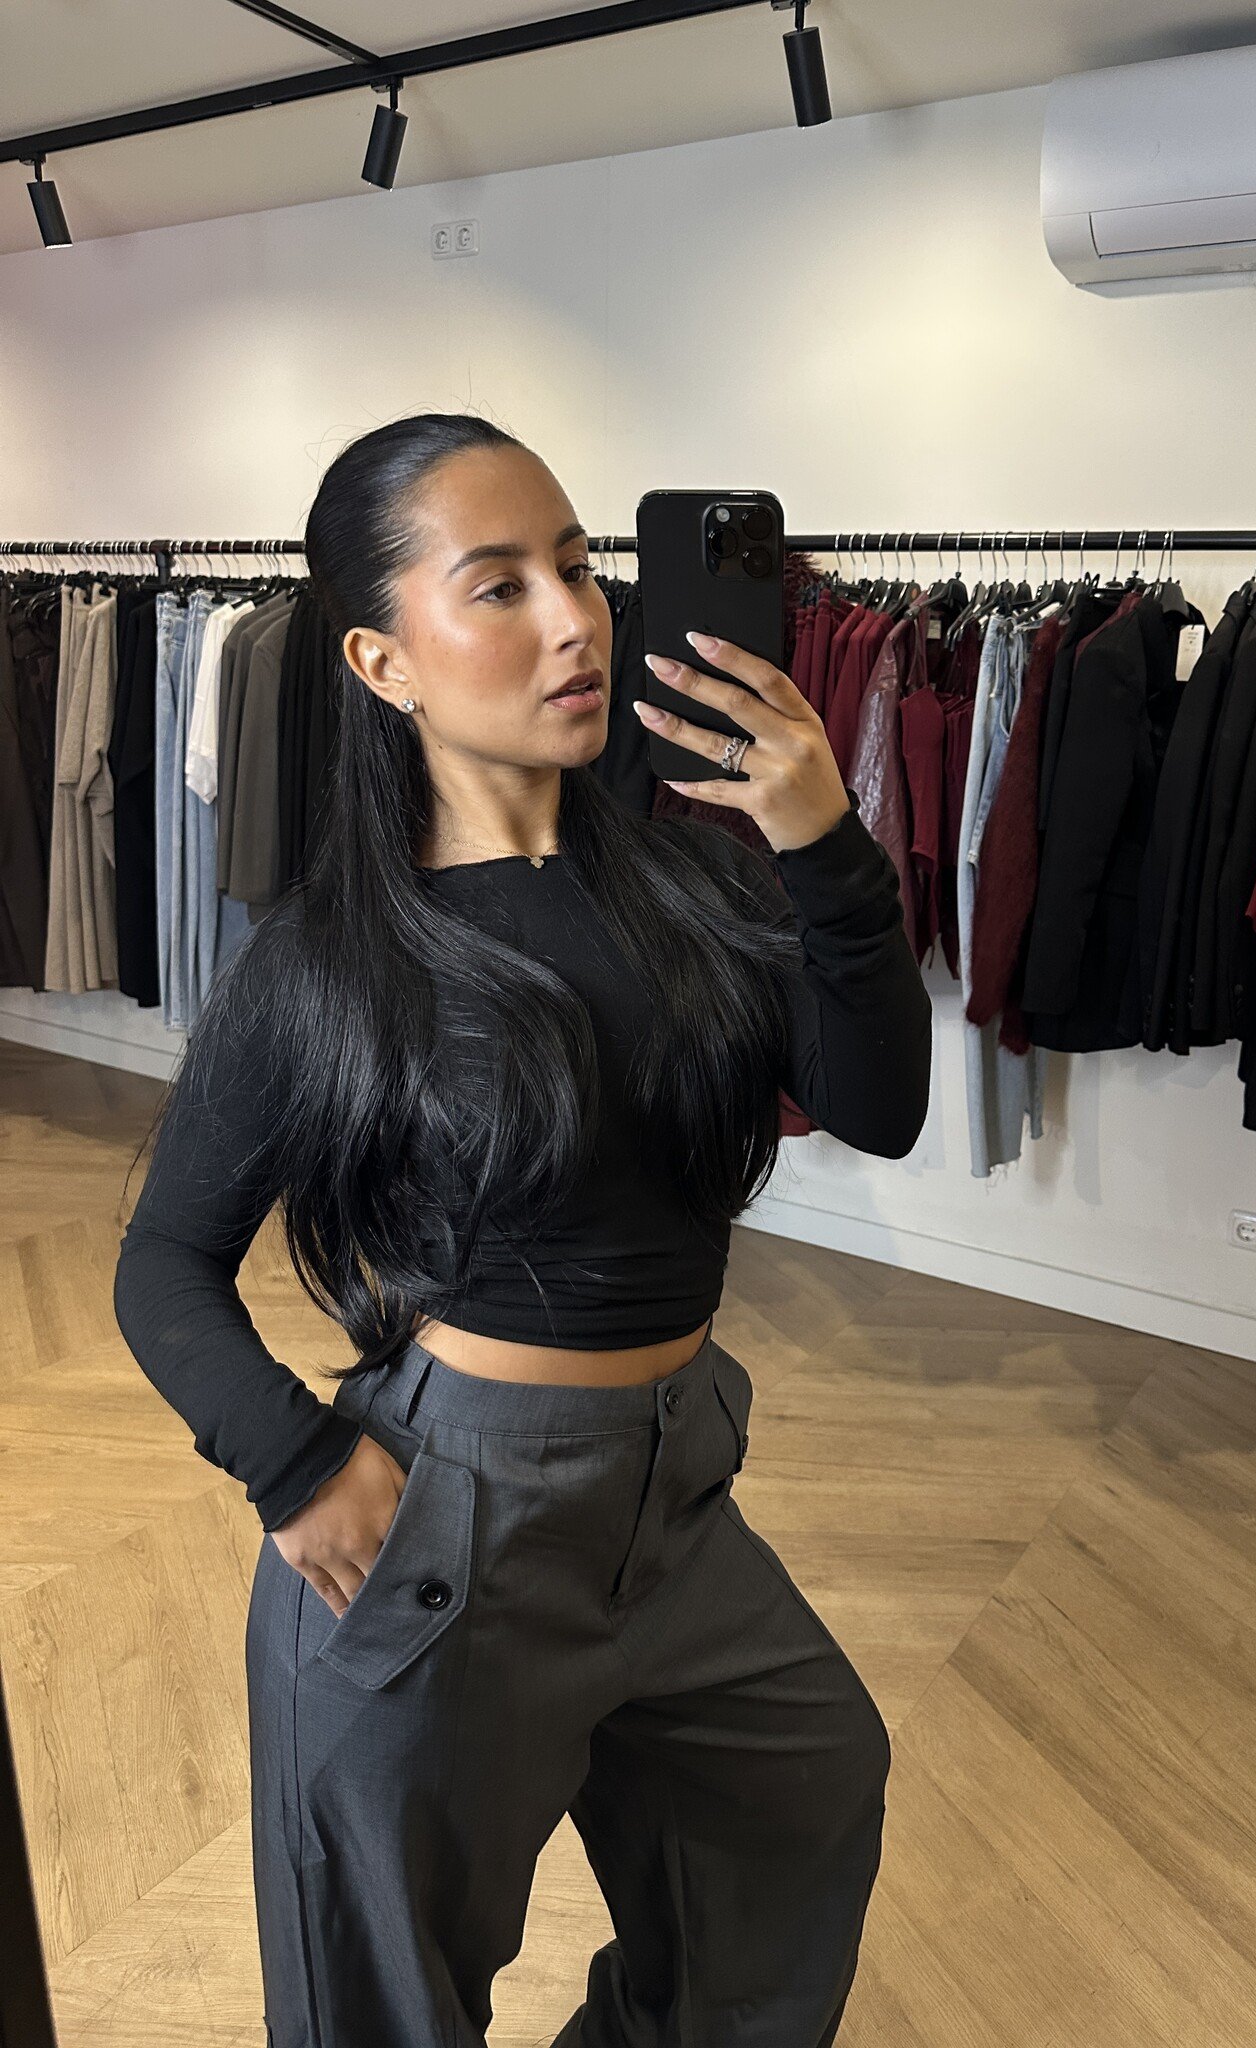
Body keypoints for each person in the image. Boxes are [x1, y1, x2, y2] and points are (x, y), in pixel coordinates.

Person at [112, 412, 933, 2046]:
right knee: (386, 1996)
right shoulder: (329, 957)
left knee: (803, 1802)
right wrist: (295, 1463)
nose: (574, 621)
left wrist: (825, 844)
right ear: (382, 661)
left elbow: (881, 1101)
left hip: (677, 1496)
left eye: (578, 567)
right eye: (498, 587)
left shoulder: (700, 892)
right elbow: (163, 1267)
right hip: (452, 1520)